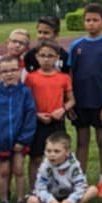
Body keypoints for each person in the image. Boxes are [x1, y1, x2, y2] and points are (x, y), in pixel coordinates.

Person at [67, 2, 102, 198]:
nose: (91, 23)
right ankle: (80, 181)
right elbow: (70, 75)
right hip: (81, 102)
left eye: (95, 20)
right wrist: (70, 100)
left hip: (100, 101)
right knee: (82, 141)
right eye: (88, 20)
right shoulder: (76, 46)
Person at [0, 52, 37, 203]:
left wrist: (23, 139)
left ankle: (20, 199)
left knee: (19, 169)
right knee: (4, 171)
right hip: (2, 142)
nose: (9, 74)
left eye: (13, 70)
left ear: (19, 71)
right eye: (5, 71)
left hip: (19, 141)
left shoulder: (25, 92)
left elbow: (30, 116)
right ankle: (3, 200)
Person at [25, 41, 74, 179]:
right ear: (37, 57)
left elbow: (72, 100)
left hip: (57, 122)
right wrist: (36, 114)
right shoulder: (31, 78)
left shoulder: (63, 78)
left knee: (59, 156)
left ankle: (59, 186)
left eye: (50, 56)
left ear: (57, 57)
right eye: (42, 55)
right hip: (38, 122)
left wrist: (62, 109)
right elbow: (26, 101)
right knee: (36, 157)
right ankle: (35, 188)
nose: (46, 59)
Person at [29, 132, 91, 203]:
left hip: (70, 194)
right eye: (48, 151)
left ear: (67, 152)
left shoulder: (74, 165)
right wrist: (49, 200)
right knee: (31, 201)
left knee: (93, 190)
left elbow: (81, 185)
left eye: (56, 151)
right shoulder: (45, 166)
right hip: (52, 196)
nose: (52, 155)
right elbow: (40, 187)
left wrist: (71, 200)